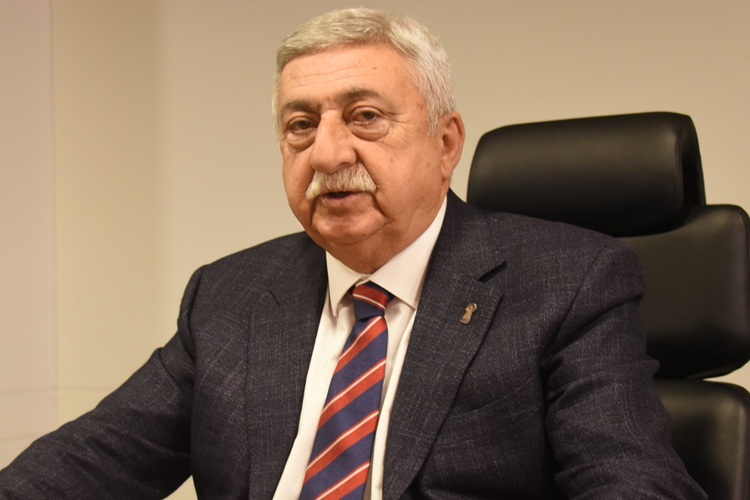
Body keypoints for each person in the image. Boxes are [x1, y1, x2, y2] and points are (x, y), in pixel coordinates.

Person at [0, 8, 706, 499]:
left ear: (445, 144)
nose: (328, 153)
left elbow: (632, 484)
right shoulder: (230, 295)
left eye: (365, 117)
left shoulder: (567, 282)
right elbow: (91, 461)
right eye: (300, 125)